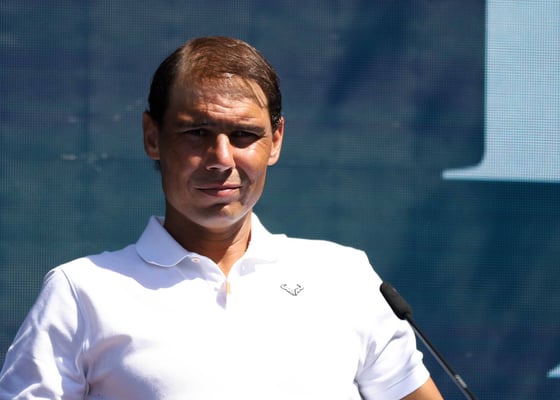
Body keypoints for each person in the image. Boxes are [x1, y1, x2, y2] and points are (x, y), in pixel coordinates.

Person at [0, 36, 443, 399]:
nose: (221, 158)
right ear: (152, 137)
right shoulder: (81, 291)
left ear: (275, 140)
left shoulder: (346, 276)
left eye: (244, 134)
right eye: (197, 132)